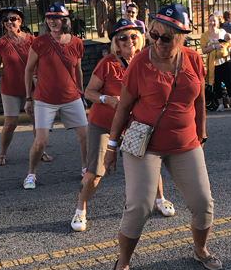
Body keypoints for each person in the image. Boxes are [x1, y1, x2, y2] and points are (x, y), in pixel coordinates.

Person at [103, 3, 220, 270]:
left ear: (180, 37)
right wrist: (111, 146)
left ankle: (200, 249)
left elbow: (200, 99)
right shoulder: (139, 64)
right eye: (153, 35)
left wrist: (201, 134)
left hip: (186, 143)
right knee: (140, 206)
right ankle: (123, 260)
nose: (157, 42)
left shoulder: (193, 59)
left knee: (203, 203)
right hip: (145, 145)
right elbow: (123, 109)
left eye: (165, 38)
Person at [71, 19, 175, 232]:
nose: (129, 41)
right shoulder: (108, 62)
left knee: (149, 164)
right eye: (122, 37)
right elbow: (89, 92)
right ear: (116, 43)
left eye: (134, 36)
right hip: (104, 124)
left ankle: (160, 199)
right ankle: (80, 210)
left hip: (134, 124)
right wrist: (106, 99)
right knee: (95, 172)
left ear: (141, 39)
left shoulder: (148, 60)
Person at [23, 2, 87, 189]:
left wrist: (81, 93)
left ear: (65, 19)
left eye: (56, 17)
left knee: (85, 137)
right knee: (41, 142)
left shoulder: (77, 43)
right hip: (45, 99)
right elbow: (28, 70)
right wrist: (28, 98)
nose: (52, 21)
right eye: (49, 17)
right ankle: (31, 173)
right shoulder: (40, 42)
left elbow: (78, 70)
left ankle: (85, 167)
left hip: (72, 97)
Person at [0, 7, 52, 166]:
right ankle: (2, 153)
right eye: (5, 20)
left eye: (12, 19)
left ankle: (40, 150)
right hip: (10, 88)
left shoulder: (33, 41)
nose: (9, 22)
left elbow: (44, 63)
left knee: (37, 121)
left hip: (32, 87)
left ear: (20, 21)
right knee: (10, 123)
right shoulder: (0, 44)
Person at [201, 13, 231, 112]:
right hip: (213, 64)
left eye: (214, 20)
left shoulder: (222, 32)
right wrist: (214, 46)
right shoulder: (205, 35)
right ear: (208, 22)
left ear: (218, 22)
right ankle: (220, 105)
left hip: (224, 62)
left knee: (228, 83)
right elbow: (204, 50)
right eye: (210, 21)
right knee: (217, 84)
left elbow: (230, 44)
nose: (212, 23)